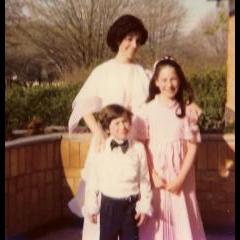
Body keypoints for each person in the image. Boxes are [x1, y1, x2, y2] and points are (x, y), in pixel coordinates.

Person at [67, 14, 202, 240]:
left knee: (134, 214)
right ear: (118, 39)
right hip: (108, 149)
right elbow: (82, 105)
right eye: (129, 38)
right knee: (104, 211)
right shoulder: (103, 71)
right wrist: (98, 132)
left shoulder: (144, 74)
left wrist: (190, 104)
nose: (134, 44)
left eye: (138, 40)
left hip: (135, 152)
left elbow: (167, 95)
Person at [138, 56, 206, 240]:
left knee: (181, 215)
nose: (169, 84)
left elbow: (192, 147)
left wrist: (180, 179)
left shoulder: (186, 111)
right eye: (164, 80)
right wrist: (152, 174)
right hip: (156, 176)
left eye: (174, 79)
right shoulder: (146, 111)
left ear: (180, 80)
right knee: (157, 219)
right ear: (157, 82)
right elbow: (141, 145)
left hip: (180, 176)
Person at [85, 104, 152, 240]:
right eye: (117, 123)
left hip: (130, 206)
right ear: (107, 127)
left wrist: (144, 206)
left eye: (125, 122)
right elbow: (94, 181)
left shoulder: (138, 148)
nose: (122, 127)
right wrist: (92, 206)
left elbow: (144, 180)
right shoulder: (101, 148)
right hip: (109, 206)